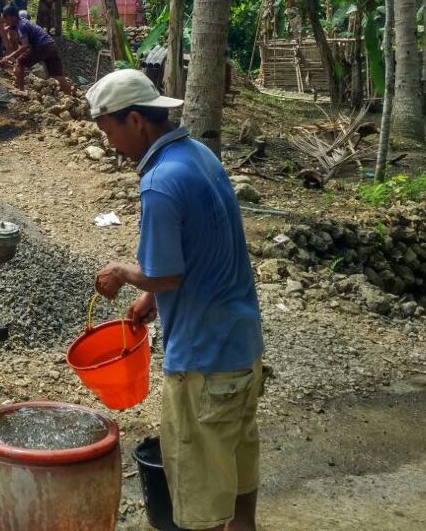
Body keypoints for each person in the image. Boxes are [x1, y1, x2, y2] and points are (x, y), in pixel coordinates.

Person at [88, 69, 264, 531]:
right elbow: (203, 248)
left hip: (202, 365)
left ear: (135, 121)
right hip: (243, 351)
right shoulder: (200, 156)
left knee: (200, 502)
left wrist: (125, 274)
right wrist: (151, 296)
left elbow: (165, 273)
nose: (110, 144)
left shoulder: (160, 181)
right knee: (240, 476)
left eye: (109, 131)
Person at [0, 3, 74, 95]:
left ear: (13, 17)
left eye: (6, 18)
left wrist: (8, 57)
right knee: (58, 74)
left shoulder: (21, 26)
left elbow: (24, 46)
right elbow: (9, 27)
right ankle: (70, 96)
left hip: (42, 47)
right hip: (51, 46)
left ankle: (21, 90)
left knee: (19, 63)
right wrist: (4, 29)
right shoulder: (22, 21)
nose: (4, 21)